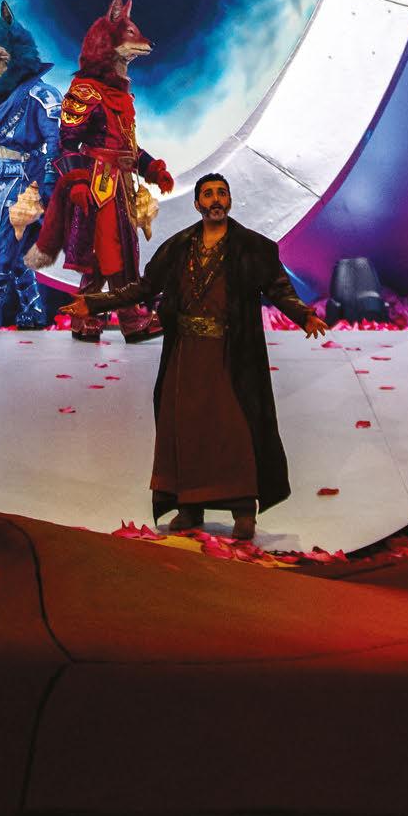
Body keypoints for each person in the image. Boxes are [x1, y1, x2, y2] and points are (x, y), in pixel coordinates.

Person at [67, 172, 328, 542]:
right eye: (208, 194)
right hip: (186, 354)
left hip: (229, 352)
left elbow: (278, 288)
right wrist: (93, 303)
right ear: (197, 203)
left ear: (230, 201)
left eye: (221, 193)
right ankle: (190, 507)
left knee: (233, 428)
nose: (215, 199)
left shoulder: (252, 247)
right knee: (186, 429)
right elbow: (143, 288)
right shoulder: (178, 247)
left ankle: (243, 510)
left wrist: (304, 315)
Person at [26, 0, 173, 340]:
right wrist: (77, 181)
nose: (140, 44)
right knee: (113, 252)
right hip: (100, 185)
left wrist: (152, 169)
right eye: (131, 36)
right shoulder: (86, 92)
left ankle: (86, 317)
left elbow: (125, 147)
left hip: (122, 185)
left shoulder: (118, 95)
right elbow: (66, 142)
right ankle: (130, 319)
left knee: (110, 255)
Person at [0, 0, 60, 330]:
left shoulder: (42, 95)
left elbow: (55, 141)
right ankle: (33, 310)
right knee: (13, 249)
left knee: (7, 244)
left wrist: (48, 182)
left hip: (25, 180)